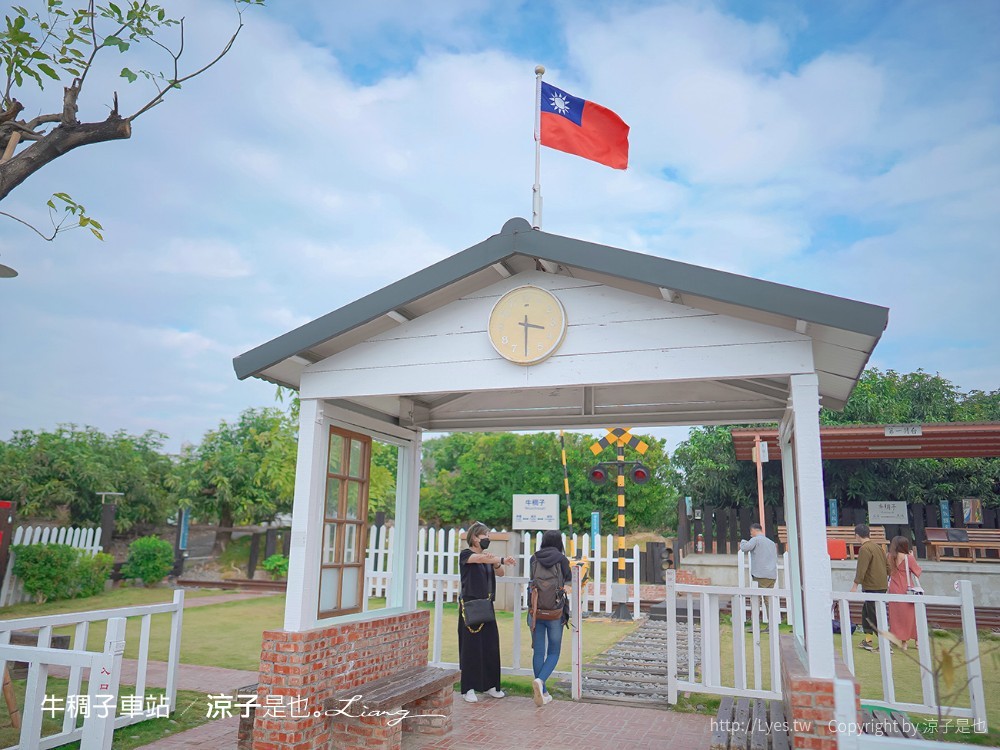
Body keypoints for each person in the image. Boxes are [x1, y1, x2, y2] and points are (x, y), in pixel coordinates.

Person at [458, 521, 515, 703]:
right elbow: (479, 559)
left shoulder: (486, 557)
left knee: (490, 646)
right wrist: (500, 559)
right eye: (485, 536)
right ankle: (469, 688)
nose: (487, 539)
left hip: (487, 605)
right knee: (471, 648)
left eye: (489, 536)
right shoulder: (466, 555)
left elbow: (501, 573)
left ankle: (491, 685)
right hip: (471, 607)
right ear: (475, 537)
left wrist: (497, 563)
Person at [528, 530, 571, 707]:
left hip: (536, 611)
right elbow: (568, 580)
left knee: (538, 652)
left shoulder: (534, 558)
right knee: (554, 652)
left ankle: (542, 691)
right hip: (555, 612)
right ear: (559, 542)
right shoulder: (562, 560)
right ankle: (541, 682)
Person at [850, 524, 889, 652]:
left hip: (872, 586)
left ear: (857, 535)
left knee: (873, 615)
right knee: (866, 612)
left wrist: (855, 585)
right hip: (881, 585)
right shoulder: (878, 547)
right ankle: (868, 640)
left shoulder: (864, 549)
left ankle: (886, 644)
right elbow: (888, 567)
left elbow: (862, 568)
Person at [739, 523, 777, 632]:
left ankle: (755, 626)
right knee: (768, 600)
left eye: (751, 532)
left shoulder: (756, 540)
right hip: (771, 575)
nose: (751, 534)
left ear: (754, 530)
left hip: (760, 575)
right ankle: (771, 626)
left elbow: (744, 548)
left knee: (755, 600)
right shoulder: (771, 542)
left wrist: (743, 541)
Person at [887, 535, 923, 650]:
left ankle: (900, 640)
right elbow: (917, 572)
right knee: (910, 617)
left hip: (893, 589)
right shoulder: (908, 558)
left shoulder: (889, 557)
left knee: (896, 617)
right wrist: (912, 557)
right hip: (906, 590)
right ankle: (913, 642)